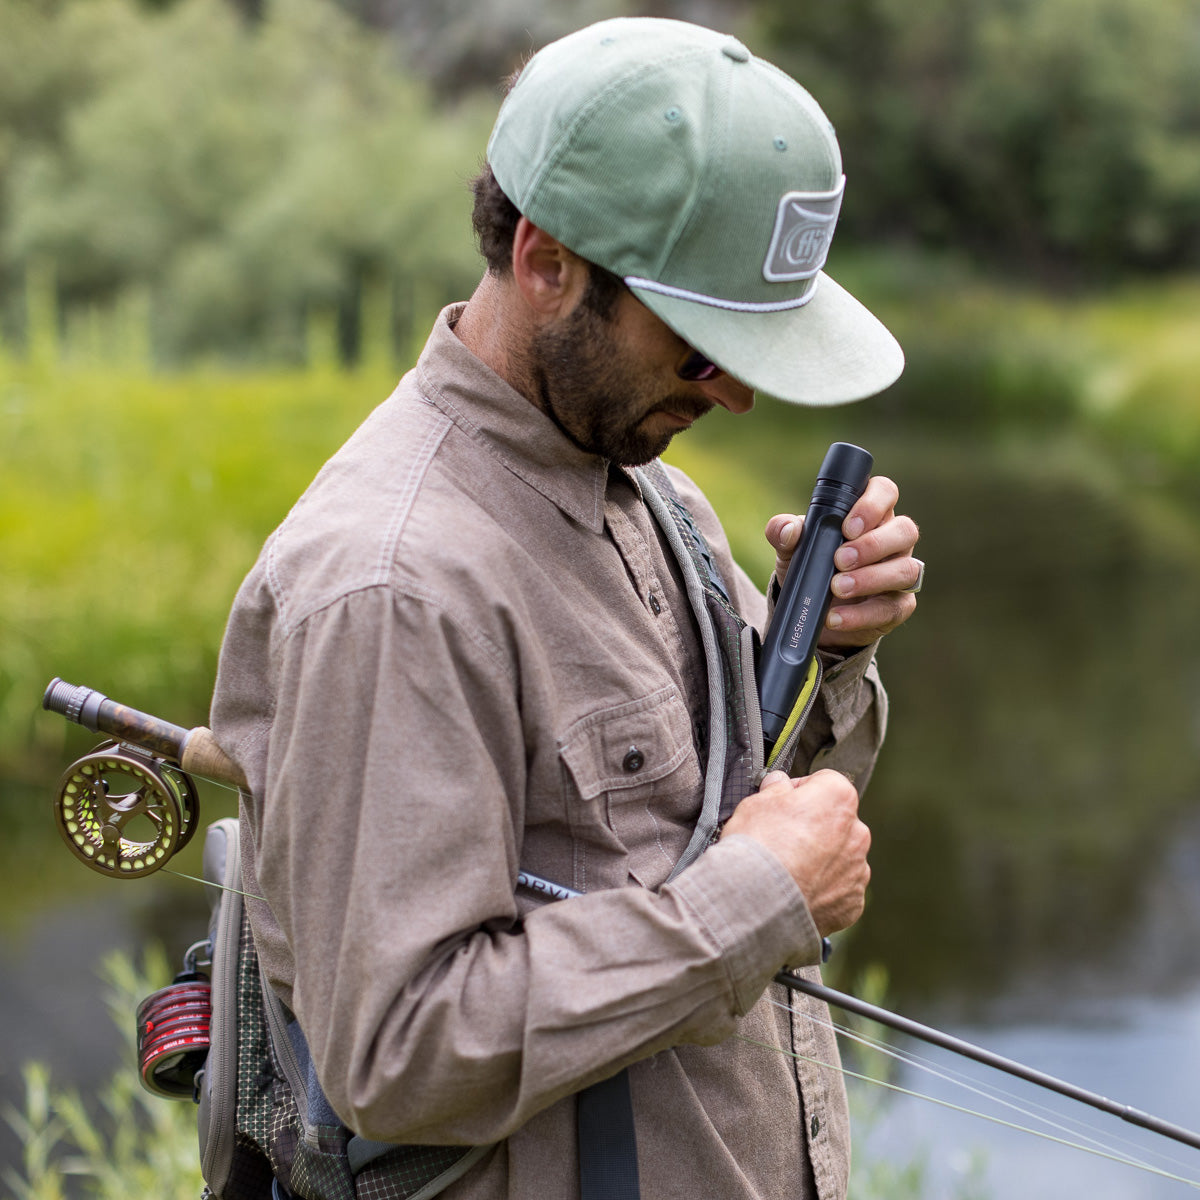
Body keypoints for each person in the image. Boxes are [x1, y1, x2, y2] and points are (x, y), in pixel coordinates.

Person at [211, 16, 921, 1200]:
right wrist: (755, 904)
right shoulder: (393, 588)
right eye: (700, 345)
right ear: (546, 262)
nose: (736, 393)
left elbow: (735, 818)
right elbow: (396, 1054)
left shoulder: (659, 497)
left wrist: (835, 649)